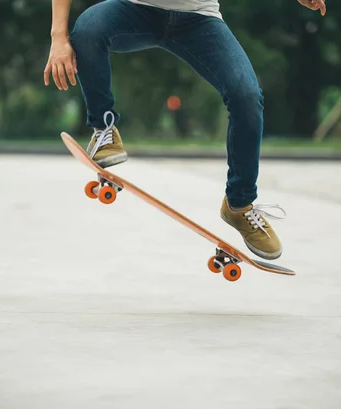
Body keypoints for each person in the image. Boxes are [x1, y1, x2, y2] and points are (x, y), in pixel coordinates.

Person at [44, 0, 326, 260]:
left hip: (199, 20)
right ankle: (104, 129)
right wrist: (58, 37)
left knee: (247, 98)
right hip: (135, 11)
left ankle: (239, 205)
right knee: (88, 30)